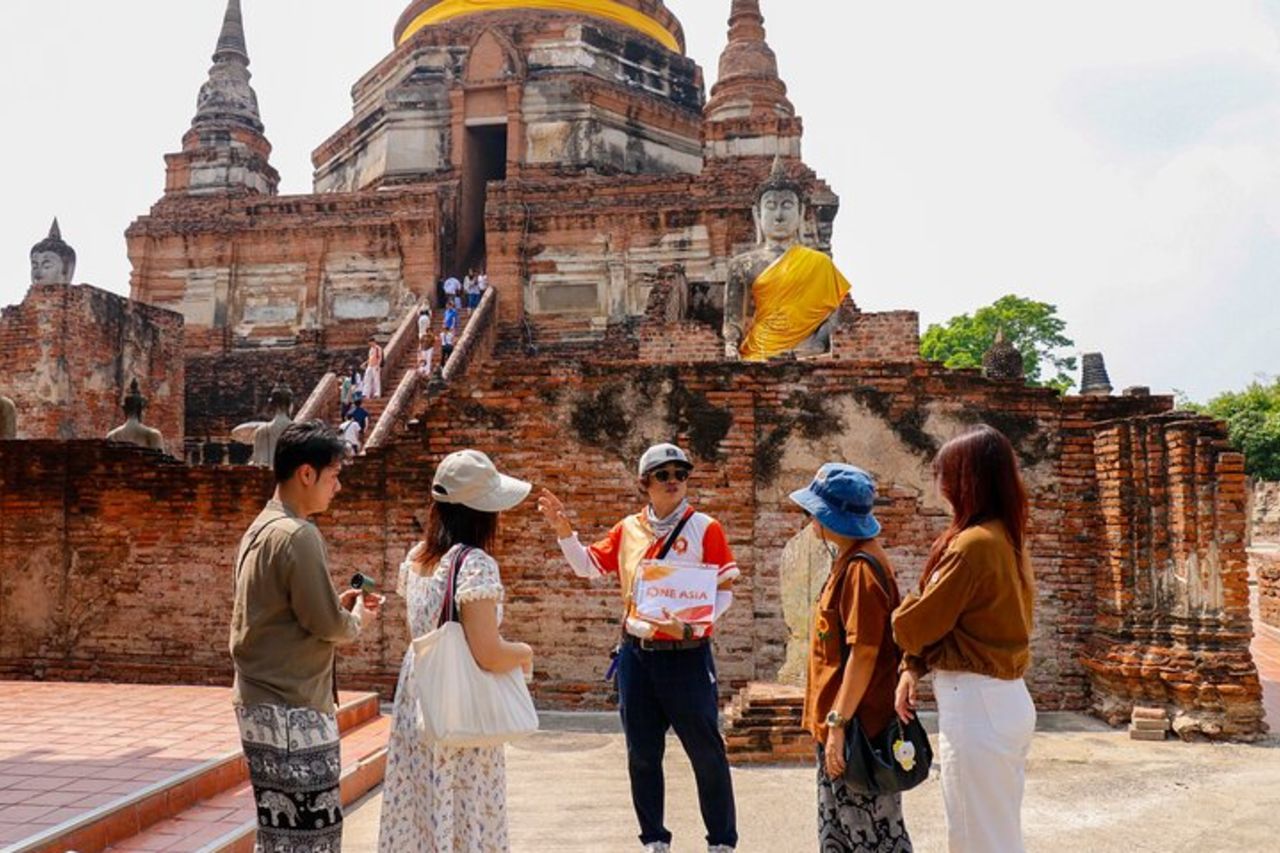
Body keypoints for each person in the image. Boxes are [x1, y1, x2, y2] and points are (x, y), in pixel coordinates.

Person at [538, 444, 739, 853]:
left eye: (680, 475)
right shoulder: (628, 529)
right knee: (643, 752)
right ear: (644, 483)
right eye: (663, 475)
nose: (673, 482)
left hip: (687, 653)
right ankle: (654, 839)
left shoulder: (705, 528)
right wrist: (563, 530)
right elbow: (587, 566)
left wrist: (694, 625)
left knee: (706, 752)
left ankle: (721, 842)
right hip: (638, 655)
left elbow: (726, 591)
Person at [229, 420, 381, 852]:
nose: (337, 487)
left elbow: (280, 612)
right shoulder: (299, 535)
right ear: (306, 474)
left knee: (281, 834)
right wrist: (356, 619)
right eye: (333, 476)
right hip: (291, 707)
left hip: (262, 701)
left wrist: (336, 602)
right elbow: (329, 626)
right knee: (311, 835)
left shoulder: (261, 528)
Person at [378, 449, 533, 852]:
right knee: (465, 807)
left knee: (422, 806)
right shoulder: (474, 564)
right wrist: (523, 652)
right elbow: (488, 652)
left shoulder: (417, 559)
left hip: (419, 697)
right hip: (460, 706)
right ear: (483, 511)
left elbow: (419, 628)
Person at [892, 425, 1036, 853]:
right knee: (996, 830)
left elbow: (912, 625)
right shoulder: (1004, 537)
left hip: (976, 702)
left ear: (966, 480)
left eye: (946, 474)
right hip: (1003, 699)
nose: (940, 485)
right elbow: (950, 625)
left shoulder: (971, 545)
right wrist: (911, 667)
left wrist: (911, 603)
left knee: (977, 836)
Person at [792, 465, 913, 852]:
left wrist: (837, 724)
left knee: (868, 833)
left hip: (859, 731)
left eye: (813, 512)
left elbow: (864, 653)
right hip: (847, 726)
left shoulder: (861, 569)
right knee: (843, 832)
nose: (809, 520)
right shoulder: (851, 560)